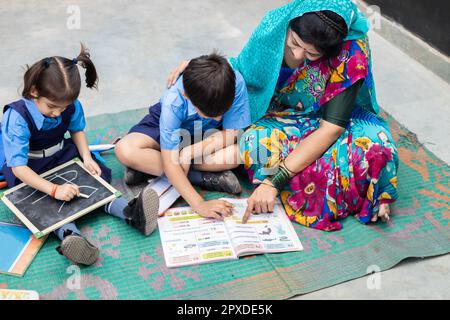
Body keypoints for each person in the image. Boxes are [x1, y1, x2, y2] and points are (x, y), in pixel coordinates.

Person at [168, 0, 398, 231]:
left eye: (312, 53)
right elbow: (244, 67)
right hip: (280, 112)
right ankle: (182, 167)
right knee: (256, 141)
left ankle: (196, 169)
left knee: (378, 148)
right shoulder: (277, 22)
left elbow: (332, 128)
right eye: (295, 43)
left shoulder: (352, 49)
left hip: (336, 123)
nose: (298, 55)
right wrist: (200, 65)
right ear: (290, 24)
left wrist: (275, 182)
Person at [0, 45, 159, 266]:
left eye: (63, 108)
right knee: (41, 202)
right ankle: (70, 236)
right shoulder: (17, 117)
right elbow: (19, 168)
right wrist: (54, 189)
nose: (58, 113)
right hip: (29, 166)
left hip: (60, 152)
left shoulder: (70, 105)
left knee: (92, 178)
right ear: (34, 91)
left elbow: (77, 130)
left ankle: (131, 213)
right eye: (52, 106)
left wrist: (86, 157)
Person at [115, 53, 252, 220]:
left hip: (207, 137)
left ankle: (148, 169)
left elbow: (231, 134)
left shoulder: (234, 82)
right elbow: (170, 161)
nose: (218, 118)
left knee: (242, 152)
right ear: (188, 97)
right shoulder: (174, 100)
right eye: (210, 114)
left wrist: (188, 153)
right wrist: (199, 204)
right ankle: (199, 177)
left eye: (221, 113)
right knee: (125, 149)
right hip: (174, 129)